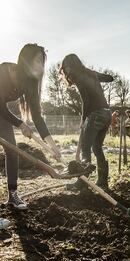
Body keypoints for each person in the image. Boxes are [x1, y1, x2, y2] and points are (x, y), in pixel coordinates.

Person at [0, 44, 61, 210]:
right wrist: (20, 124)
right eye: (37, 61)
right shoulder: (5, 71)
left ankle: (13, 196)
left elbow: (37, 118)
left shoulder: (31, 84)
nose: (41, 66)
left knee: (12, 150)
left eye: (43, 62)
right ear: (26, 60)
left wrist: (53, 147)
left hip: (1, 114)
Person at [60, 54, 113, 189]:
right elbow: (109, 78)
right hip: (107, 114)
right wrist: (102, 77)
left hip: (96, 114)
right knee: (96, 147)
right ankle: (102, 181)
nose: (66, 71)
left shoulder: (79, 77)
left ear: (72, 65)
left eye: (67, 67)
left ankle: (82, 183)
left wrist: (84, 120)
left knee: (85, 148)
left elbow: (86, 100)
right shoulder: (90, 73)